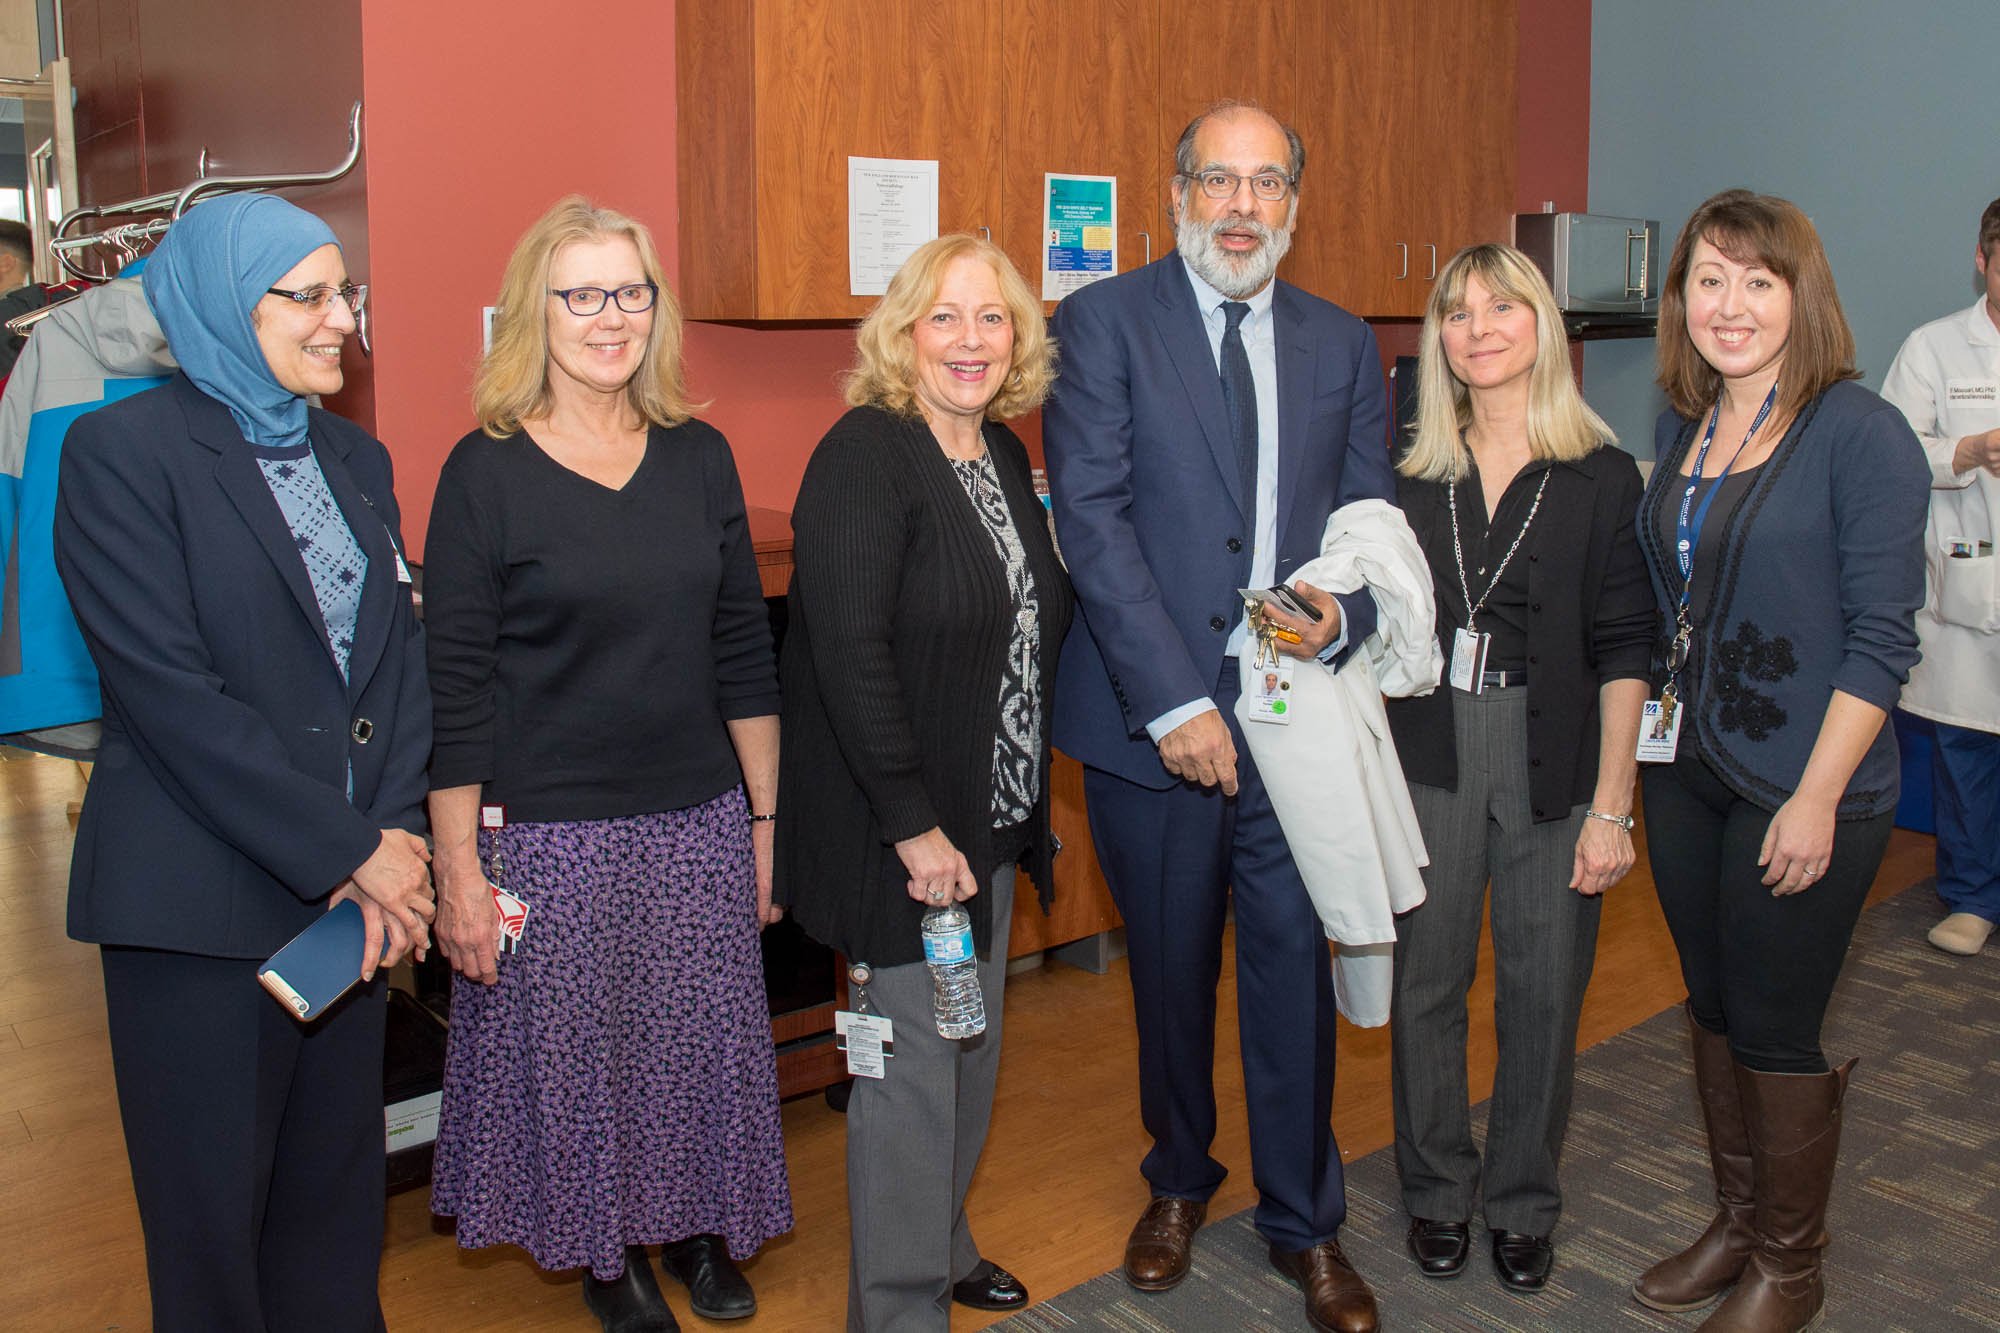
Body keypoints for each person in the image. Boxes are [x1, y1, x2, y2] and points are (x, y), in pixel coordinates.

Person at [52, 193, 433, 1332]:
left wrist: (398, 840)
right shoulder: (120, 456)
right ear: (223, 301)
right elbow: (174, 702)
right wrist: (357, 849)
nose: (339, 321)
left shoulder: (356, 457)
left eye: (344, 294)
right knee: (212, 1238)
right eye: (306, 296)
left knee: (332, 1219)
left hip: (351, 911)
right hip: (199, 914)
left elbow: (397, 664)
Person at [1044, 100, 1395, 1333]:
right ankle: (1179, 1182)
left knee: (1293, 973)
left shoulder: (1343, 343)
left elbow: (1365, 528)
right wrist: (1178, 701)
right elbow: (1088, 520)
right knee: (1173, 974)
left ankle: (1306, 1223)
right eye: (1215, 181)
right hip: (1157, 729)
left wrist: (1341, 619)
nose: (1239, 206)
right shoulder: (1098, 323)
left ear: (1294, 203)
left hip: (1300, 726)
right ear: (1176, 193)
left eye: (1264, 184)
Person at [424, 196, 792, 1333]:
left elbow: (742, 646)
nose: (608, 316)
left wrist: (765, 823)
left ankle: (694, 1225)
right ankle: (606, 1252)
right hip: (547, 828)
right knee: (584, 1059)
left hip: (693, 811)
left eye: (628, 292)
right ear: (536, 310)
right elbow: (456, 689)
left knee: (696, 1042)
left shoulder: (699, 455)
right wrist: (458, 875)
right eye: (581, 293)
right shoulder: (483, 472)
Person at [1630, 189, 1928, 1333]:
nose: (1729, 304)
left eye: (1756, 280)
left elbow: (1879, 636)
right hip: (1688, 767)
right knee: (1708, 1006)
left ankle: (1789, 1269)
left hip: (1807, 784)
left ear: (1800, 296)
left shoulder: (1858, 433)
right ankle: (1738, 1220)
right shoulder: (1683, 424)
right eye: (1707, 279)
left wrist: (1812, 797)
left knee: (1771, 1023)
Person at [776, 232, 1071, 1332]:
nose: (969, 340)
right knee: (905, 1083)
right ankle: (896, 1310)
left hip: (984, 828)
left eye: (990, 318)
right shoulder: (866, 452)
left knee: (968, 1049)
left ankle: (940, 1246)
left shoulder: (992, 453)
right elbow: (849, 654)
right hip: (902, 840)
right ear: (902, 333)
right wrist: (912, 826)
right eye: (942, 317)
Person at [1383, 243, 1652, 1292]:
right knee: (1426, 982)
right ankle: (1435, 1188)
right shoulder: (1407, 472)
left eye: (1502, 307)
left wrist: (1613, 808)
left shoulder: (1598, 474)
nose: (1480, 328)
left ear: (1541, 326)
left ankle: (1522, 1199)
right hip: (1429, 746)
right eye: (1457, 313)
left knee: (1543, 991)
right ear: (1437, 341)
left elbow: (1628, 644)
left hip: (1554, 750)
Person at [1880, 196, 2000, 957]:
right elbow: (1893, 456)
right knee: (1968, 751)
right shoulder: (1934, 348)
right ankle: (1972, 895)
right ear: (1984, 260)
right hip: (1968, 589)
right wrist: (1968, 450)